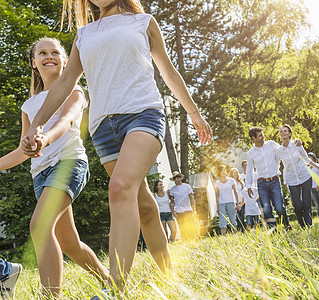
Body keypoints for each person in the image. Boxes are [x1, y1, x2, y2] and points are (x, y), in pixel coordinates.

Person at [22, 0, 212, 296]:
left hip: (143, 113)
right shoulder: (84, 35)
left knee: (120, 188)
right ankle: (170, 281)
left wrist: (194, 113)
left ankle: (116, 289)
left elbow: (168, 71)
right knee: (144, 207)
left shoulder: (143, 22)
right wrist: (37, 125)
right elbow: (64, 84)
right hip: (104, 128)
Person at [1, 38, 108, 298]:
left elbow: (66, 120)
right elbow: (21, 152)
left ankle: (50, 296)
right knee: (69, 243)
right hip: (41, 174)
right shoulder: (29, 106)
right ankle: (110, 281)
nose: (49, 57)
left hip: (69, 164)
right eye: (42, 53)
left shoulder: (74, 91)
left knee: (39, 226)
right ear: (34, 63)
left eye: (56, 53)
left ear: (65, 60)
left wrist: (45, 137)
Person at [276, 124, 319, 228]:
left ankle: (309, 225)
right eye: (281, 131)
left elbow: (307, 159)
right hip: (291, 180)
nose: (283, 133)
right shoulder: (278, 151)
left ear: (290, 134)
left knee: (306, 203)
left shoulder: (297, 145)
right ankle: (302, 224)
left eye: (285, 131)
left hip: (305, 176)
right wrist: (285, 182)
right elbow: (280, 167)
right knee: (297, 206)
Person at [245, 127, 291, 229]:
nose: (263, 137)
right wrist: (248, 186)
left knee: (279, 207)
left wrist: (294, 143)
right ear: (253, 138)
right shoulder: (251, 153)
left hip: (274, 181)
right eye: (260, 135)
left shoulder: (271, 144)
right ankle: (273, 230)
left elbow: (283, 149)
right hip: (261, 184)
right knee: (266, 210)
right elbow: (249, 170)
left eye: (263, 134)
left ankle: (287, 225)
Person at [169, 172, 198, 240]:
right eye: (175, 178)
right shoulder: (172, 189)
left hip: (188, 209)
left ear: (180, 178)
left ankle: (192, 240)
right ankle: (185, 241)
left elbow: (192, 198)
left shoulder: (187, 186)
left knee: (190, 227)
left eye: (178, 178)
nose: (177, 180)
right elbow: (172, 202)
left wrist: (194, 209)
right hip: (178, 211)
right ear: (174, 180)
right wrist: (173, 212)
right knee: (182, 228)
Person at [214, 165, 239, 235]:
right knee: (222, 222)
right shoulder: (217, 183)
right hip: (221, 204)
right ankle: (223, 238)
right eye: (222, 171)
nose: (223, 172)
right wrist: (217, 207)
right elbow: (217, 196)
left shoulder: (231, 180)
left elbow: (235, 192)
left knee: (233, 220)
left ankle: (235, 236)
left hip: (231, 202)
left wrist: (237, 203)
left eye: (224, 170)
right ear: (219, 172)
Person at [230, 167, 245, 232]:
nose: (236, 174)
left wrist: (241, 203)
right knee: (237, 218)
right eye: (234, 173)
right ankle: (239, 231)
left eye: (237, 172)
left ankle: (243, 231)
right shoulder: (230, 183)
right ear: (231, 174)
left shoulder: (241, 182)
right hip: (234, 202)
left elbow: (244, 192)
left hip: (241, 202)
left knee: (242, 217)